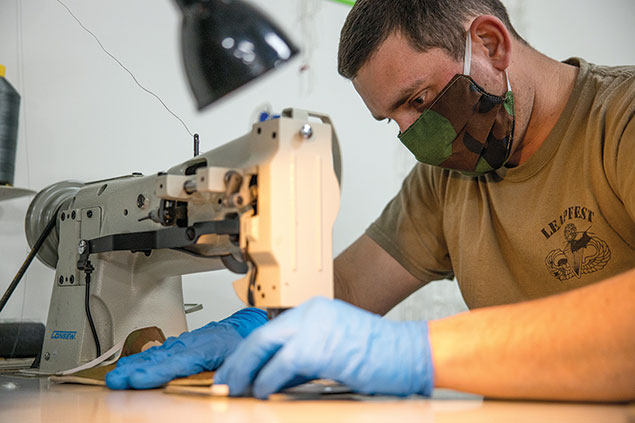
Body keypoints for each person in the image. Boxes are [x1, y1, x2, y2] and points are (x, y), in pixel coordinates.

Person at [106, 0, 635, 401]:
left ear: (491, 44)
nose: (413, 135)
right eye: (393, 120)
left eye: (419, 101)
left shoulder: (621, 121)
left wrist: (412, 353)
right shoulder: (450, 177)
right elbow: (353, 286)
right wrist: (262, 324)